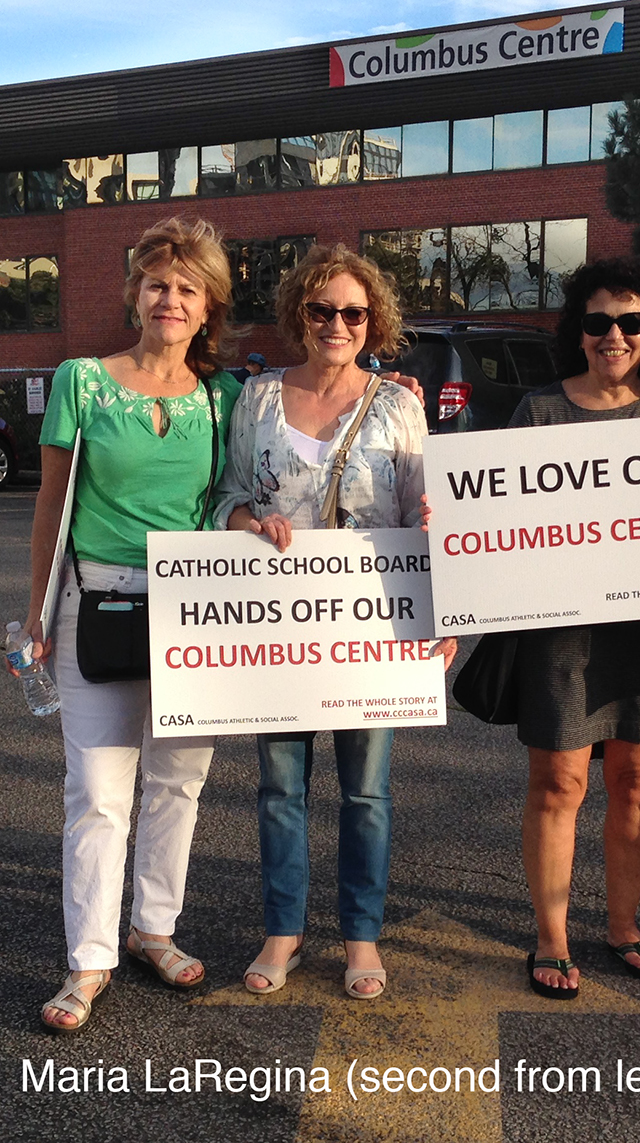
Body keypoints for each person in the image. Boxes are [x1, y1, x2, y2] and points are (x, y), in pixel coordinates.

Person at [214, 244, 455, 1000]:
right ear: (300, 314)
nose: (337, 324)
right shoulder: (256, 399)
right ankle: (282, 931)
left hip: (371, 632)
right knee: (279, 789)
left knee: (366, 794)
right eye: (322, 309)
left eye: (354, 312)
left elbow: (426, 517)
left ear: (372, 320)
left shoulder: (399, 406)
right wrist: (249, 520)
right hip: (277, 628)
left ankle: (361, 936)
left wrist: (447, 608)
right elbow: (224, 497)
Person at [25, 217, 243, 1032]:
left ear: (208, 305)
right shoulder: (83, 381)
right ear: (134, 293)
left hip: (195, 607)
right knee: (97, 791)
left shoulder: (224, 396)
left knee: (179, 781)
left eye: (188, 288)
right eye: (157, 283)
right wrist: (36, 611)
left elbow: (263, 473)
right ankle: (88, 961)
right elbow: (51, 501)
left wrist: (391, 393)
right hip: (98, 601)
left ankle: (154, 928)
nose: (170, 299)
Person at [506, 257, 640, 1000]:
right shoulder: (538, 413)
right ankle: (552, 938)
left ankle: (623, 925)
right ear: (578, 330)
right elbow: (494, 522)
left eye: (631, 322)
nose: (614, 336)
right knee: (559, 782)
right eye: (599, 322)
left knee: (635, 783)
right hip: (560, 628)